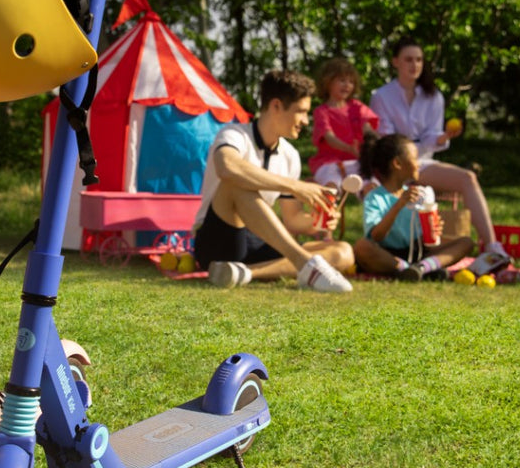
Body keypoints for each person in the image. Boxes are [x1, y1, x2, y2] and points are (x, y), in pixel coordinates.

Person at [193, 69, 356, 293]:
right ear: (276, 106)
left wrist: (317, 220)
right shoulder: (233, 135)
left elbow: (292, 221)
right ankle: (305, 265)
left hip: (259, 241)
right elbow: (227, 168)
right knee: (236, 183)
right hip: (218, 239)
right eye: (301, 112)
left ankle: (245, 273)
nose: (305, 121)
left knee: (343, 251)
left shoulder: (290, 155)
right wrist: (294, 186)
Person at [368, 37, 510, 262]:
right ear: (395, 62)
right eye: (408, 60)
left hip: (421, 162)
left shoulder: (434, 96)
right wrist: (428, 143)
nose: (414, 65)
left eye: (419, 60)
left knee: (468, 178)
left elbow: (431, 138)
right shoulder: (381, 96)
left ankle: (492, 246)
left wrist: (443, 137)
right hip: (393, 167)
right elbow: (389, 142)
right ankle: (387, 251)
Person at [353, 131, 476, 280]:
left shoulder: (417, 194)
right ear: (397, 163)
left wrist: (433, 229)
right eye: (415, 158)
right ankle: (413, 270)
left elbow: (424, 239)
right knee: (362, 247)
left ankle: (421, 268)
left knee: (466, 242)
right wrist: (399, 205)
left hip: (419, 253)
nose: (419, 164)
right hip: (389, 255)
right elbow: (376, 236)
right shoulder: (375, 197)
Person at [308, 57, 378, 188]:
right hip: (328, 162)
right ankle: (329, 204)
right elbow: (329, 138)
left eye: (351, 81)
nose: (347, 85)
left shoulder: (357, 107)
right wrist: (349, 148)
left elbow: (367, 129)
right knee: (332, 180)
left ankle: (371, 202)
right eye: (342, 80)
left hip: (356, 161)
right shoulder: (321, 111)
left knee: (371, 181)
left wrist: (373, 142)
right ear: (327, 82)